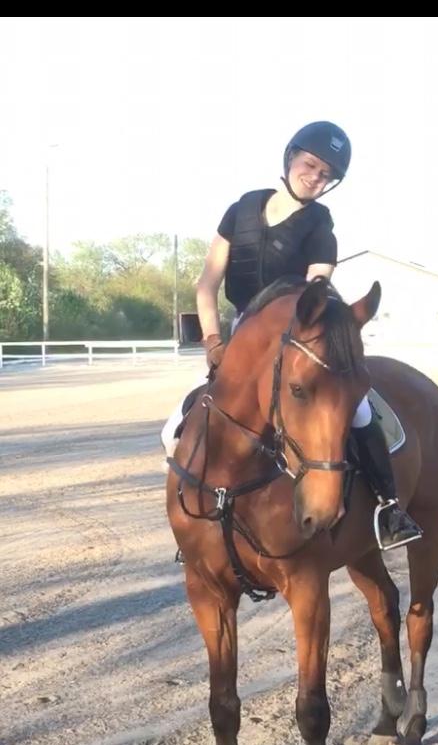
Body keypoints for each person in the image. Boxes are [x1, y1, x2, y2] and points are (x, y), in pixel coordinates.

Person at [163, 121, 421, 550]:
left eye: (326, 175)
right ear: (290, 157)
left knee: (359, 413)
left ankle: (389, 506)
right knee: (175, 427)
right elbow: (207, 284)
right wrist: (212, 341)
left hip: (296, 338)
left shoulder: (320, 225)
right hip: (240, 343)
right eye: (311, 165)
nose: (315, 177)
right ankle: (192, 521)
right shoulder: (241, 210)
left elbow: (316, 292)